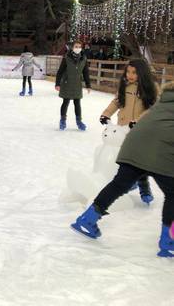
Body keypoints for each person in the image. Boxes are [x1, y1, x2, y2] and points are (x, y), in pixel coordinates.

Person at [71, 81, 174, 258]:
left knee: (119, 185)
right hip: (156, 152)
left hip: (132, 146)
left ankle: (88, 219)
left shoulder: (162, 103)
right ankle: (169, 241)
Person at [100, 59, 159, 205]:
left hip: (141, 130)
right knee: (127, 160)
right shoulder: (125, 85)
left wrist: (138, 121)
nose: (130, 75)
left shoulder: (151, 87)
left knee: (138, 161)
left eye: (134, 72)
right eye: (128, 71)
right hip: (123, 129)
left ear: (142, 73)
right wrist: (106, 114)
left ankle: (143, 188)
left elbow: (153, 108)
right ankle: (133, 183)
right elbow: (117, 101)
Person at [55, 40, 91, 131]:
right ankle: (62, 121)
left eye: (79, 47)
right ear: (72, 47)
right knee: (65, 102)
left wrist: (88, 85)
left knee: (77, 103)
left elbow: (86, 72)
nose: (78, 48)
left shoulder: (83, 58)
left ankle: (79, 122)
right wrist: (57, 83)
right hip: (67, 83)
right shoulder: (67, 57)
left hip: (77, 83)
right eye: (76, 46)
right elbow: (60, 71)